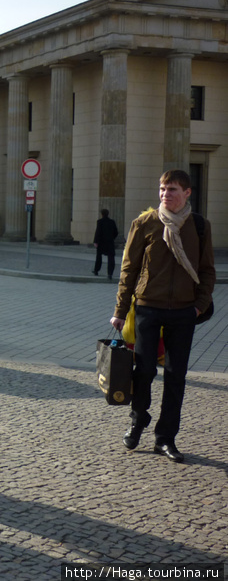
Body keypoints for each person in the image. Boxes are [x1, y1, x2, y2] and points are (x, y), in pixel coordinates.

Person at [110, 170, 215, 463]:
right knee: (143, 371)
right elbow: (128, 270)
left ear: (187, 193)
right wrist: (120, 311)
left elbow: (207, 271)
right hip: (147, 308)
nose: (165, 194)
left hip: (183, 312)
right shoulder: (145, 223)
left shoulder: (199, 226)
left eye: (172, 189)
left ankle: (165, 438)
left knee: (175, 376)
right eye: (162, 188)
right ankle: (138, 418)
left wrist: (198, 305)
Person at [92, 208, 119, 280]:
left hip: (101, 242)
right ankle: (110, 273)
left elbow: (98, 232)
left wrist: (95, 241)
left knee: (99, 257)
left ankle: (96, 270)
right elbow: (116, 232)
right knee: (111, 258)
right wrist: (112, 238)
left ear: (102, 214)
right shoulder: (112, 222)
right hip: (110, 242)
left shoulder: (100, 222)